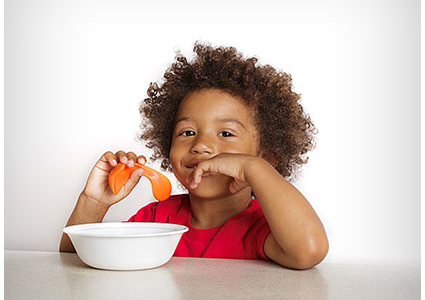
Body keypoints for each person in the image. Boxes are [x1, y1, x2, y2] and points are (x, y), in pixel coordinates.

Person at [60, 41, 329, 270]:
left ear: (267, 155)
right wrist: (94, 201)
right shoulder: (157, 219)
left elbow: (309, 250)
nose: (201, 145)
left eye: (226, 134)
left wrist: (254, 169)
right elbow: (75, 263)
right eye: (187, 132)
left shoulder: (264, 227)